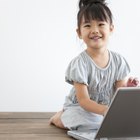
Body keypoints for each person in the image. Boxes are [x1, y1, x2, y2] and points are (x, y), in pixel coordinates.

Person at [49, 0, 139, 130]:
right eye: (87, 26)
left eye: (101, 24)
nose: (95, 30)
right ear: (79, 33)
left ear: (111, 29)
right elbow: (84, 101)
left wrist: (127, 88)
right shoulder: (79, 64)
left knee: (129, 118)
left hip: (107, 109)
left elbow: (118, 97)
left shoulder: (118, 61)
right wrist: (104, 111)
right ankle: (59, 118)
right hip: (82, 108)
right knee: (85, 119)